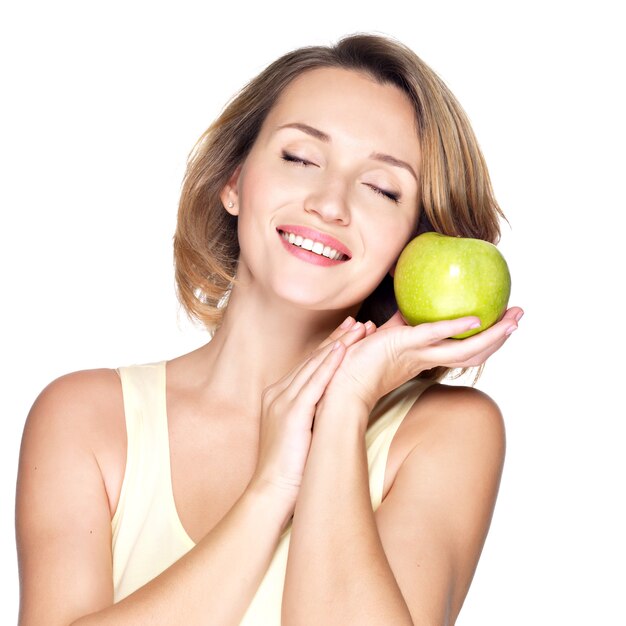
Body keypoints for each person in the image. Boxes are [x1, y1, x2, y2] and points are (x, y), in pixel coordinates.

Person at [15, 33, 523, 625]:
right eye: (300, 158)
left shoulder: (447, 434)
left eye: (383, 189)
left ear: (413, 243)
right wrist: (271, 489)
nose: (331, 204)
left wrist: (344, 409)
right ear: (234, 182)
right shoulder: (86, 418)